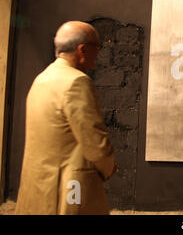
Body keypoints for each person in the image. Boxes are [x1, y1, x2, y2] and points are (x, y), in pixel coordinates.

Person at [15, 21, 117, 215]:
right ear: (82, 49)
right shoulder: (77, 82)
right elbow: (95, 143)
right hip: (70, 189)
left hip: (39, 186)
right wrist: (109, 166)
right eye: (97, 47)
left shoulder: (42, 79)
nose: (99, 53)